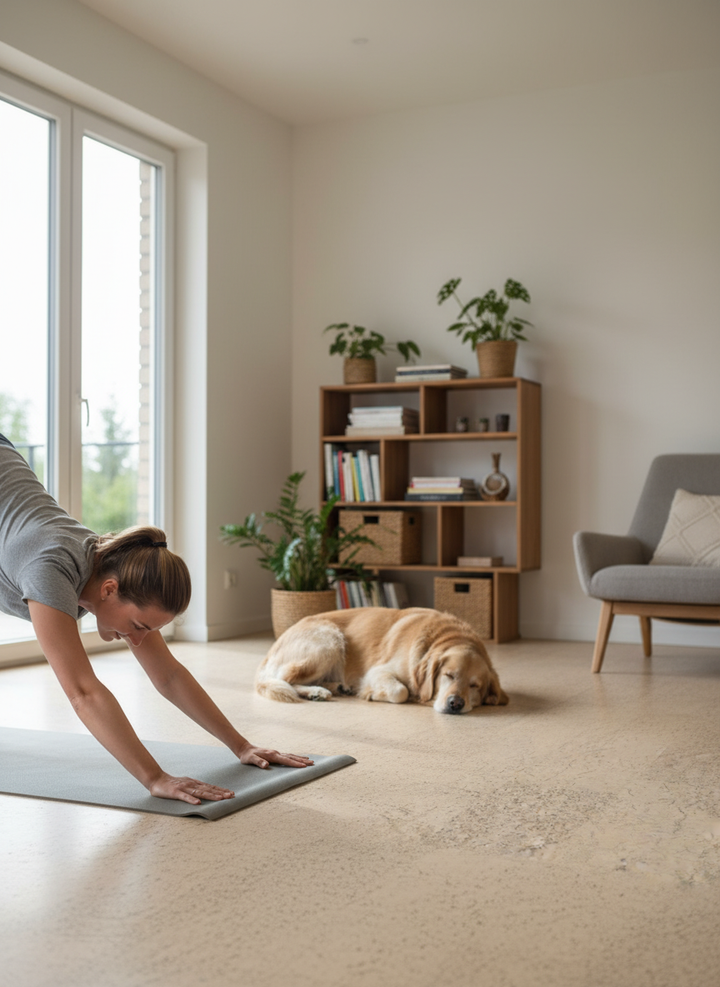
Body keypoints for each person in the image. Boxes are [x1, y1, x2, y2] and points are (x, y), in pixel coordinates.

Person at [0, 434, 313, 805]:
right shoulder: (50, 569)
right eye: (139, 627)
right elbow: (83, 693)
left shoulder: (110, 569)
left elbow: (169, 674)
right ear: (109, 590)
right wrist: (155, 778)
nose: (138, 640)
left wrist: (242, 746)